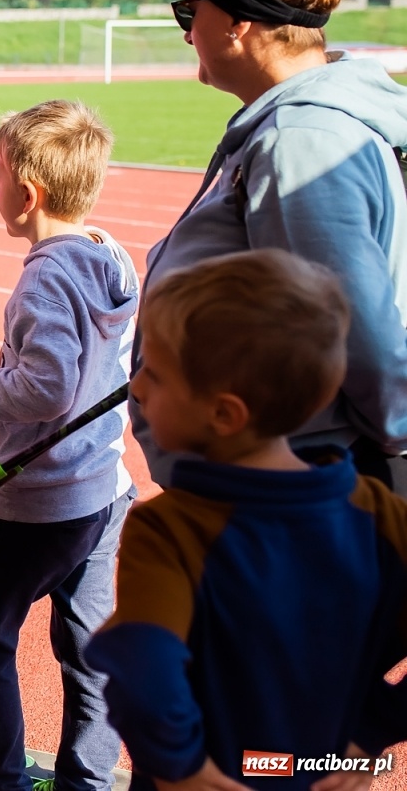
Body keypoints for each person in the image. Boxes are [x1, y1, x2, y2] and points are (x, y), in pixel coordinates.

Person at [89, 250, 407, 791]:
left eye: (156, 373)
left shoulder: (172, 530)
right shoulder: (380, 514)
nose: (135, 387)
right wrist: (372, 731)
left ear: (225, 414)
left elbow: (143, 670)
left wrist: (184, 767)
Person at [137, 0, 407, 488]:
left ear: (236, 22)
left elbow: (358, 332)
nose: (185, 32)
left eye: (190, 11)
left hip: (303, 489)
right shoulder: (297, 127)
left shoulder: (302, 141)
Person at [0, 101, 137, 791]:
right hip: (104, 489)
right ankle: (87, 781)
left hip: (39, 503)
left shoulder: (46, 276)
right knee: (90, 651)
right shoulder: (112, 255)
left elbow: (46, 389)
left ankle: (3, 783)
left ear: (26, 194)